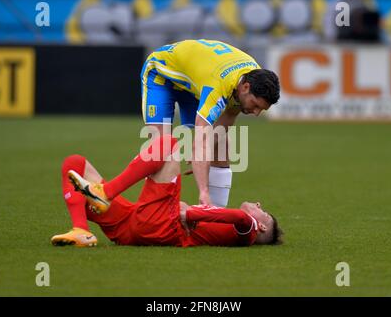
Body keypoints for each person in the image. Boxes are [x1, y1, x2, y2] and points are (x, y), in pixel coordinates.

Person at [51, 135, 283, 247]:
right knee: (75, 162)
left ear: (261, 225)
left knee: (168, 144)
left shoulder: (249, 228)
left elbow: (239, 217)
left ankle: (106, 193)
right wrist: (189, 209)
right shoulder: (230, 233)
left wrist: (189, 213)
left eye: (263, 212)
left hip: (160, 225)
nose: (259, 206)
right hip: (131, 226)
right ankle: (81, 230)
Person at [140, 39, 280, 207]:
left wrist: (202, 160)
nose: (256, 113)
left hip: (194, 81)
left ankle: (216, 211)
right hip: (161, 73)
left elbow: (226, 119)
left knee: (220, 142)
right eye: (256, 105)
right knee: (161, 150)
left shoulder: (249, 79)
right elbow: (201, 143)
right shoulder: (220, 85)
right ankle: (157, 214)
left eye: (261, 109)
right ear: (245, 88)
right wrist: (203, 190)